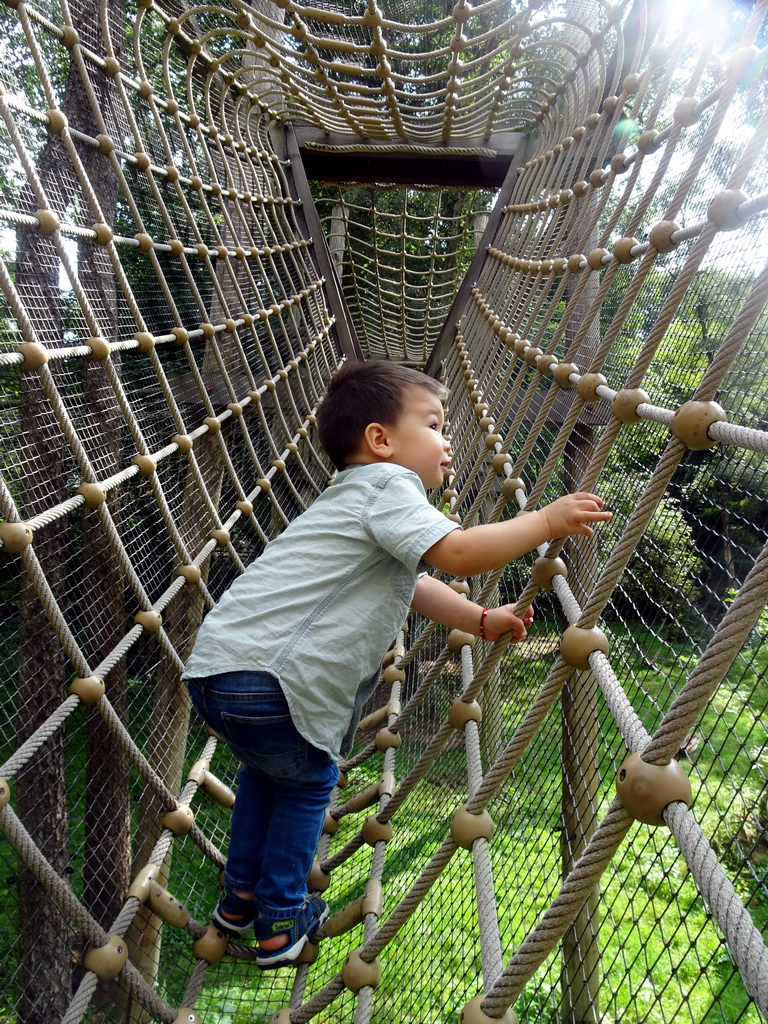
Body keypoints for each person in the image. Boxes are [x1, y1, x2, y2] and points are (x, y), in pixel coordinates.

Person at [183, 359, 611, 969]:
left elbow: (414, 584)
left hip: (218, 671)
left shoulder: (349, 500)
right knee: (310, 784)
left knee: (265, 774)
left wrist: (480, 620)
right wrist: (545, 520)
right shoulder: (389, 487)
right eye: (435, 425)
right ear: (381, 441)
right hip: (278, 680)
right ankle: (280, 920)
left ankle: (240, 896)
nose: (448, 442)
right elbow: (458, 554)